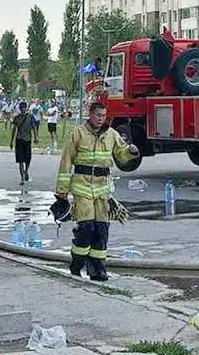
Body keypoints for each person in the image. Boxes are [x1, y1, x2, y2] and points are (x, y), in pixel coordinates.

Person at [55, 102, 140, 281]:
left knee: (101, 229)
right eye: (98, 115)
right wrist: (62, 190)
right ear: (90, 114)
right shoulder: (77, 133)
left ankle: (97, 268)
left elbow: (121, 156)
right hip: (82, 187)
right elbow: (66, 161)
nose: (101, 119)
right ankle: (77, 263)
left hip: (102, 189)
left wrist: (131, 152)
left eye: (103, 116)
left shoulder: (111, 135)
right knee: (86, 227)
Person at [10, 101, 37, 185]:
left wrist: (36, 137)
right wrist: (11, 141)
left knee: (28, 159)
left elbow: (34, 127)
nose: (23, 109)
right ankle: (22, 178)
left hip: (28, 140)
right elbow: (14, 129)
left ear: (26, 108)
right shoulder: (17, 118)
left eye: (24, 108)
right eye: (21, 108)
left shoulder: (30, 117)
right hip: (19, 139)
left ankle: (26, 171)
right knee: (20, 160)